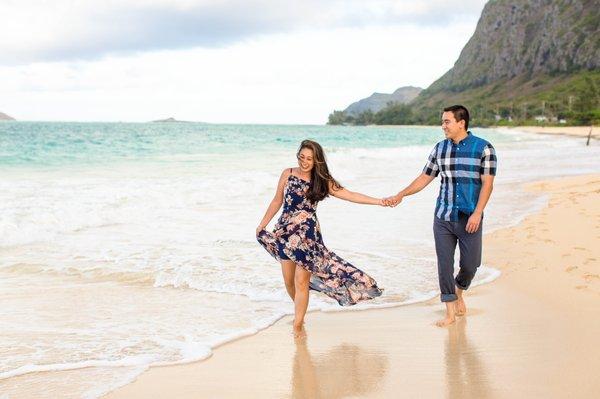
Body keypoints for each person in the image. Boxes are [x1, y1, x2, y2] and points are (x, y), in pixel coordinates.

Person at [256, 139, 384, 337]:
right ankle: (300, 312)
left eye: (309, 159)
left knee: (301, 281)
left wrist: (379, 202)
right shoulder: (287, 173)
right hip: (285, 233)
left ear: (317, 161)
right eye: (302, 157)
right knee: (289, 282)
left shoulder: (321, 180)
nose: (304, 162)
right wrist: (262, 224)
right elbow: (277, 201)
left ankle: (297, 325)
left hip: (308, 237)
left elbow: (350, 195)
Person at [384, 105, 496, 327]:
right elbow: (424, 177)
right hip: (443, 216)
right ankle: (450, 311)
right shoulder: (439, 149)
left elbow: (488, 184)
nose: (442, 125)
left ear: (461, 122)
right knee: (444, 264)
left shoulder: (484, 148)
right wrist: (401, 194)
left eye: (447, 121)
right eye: (442, 121)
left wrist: (477, 213)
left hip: (469, 217)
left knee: (471, 265)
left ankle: (459, 290)